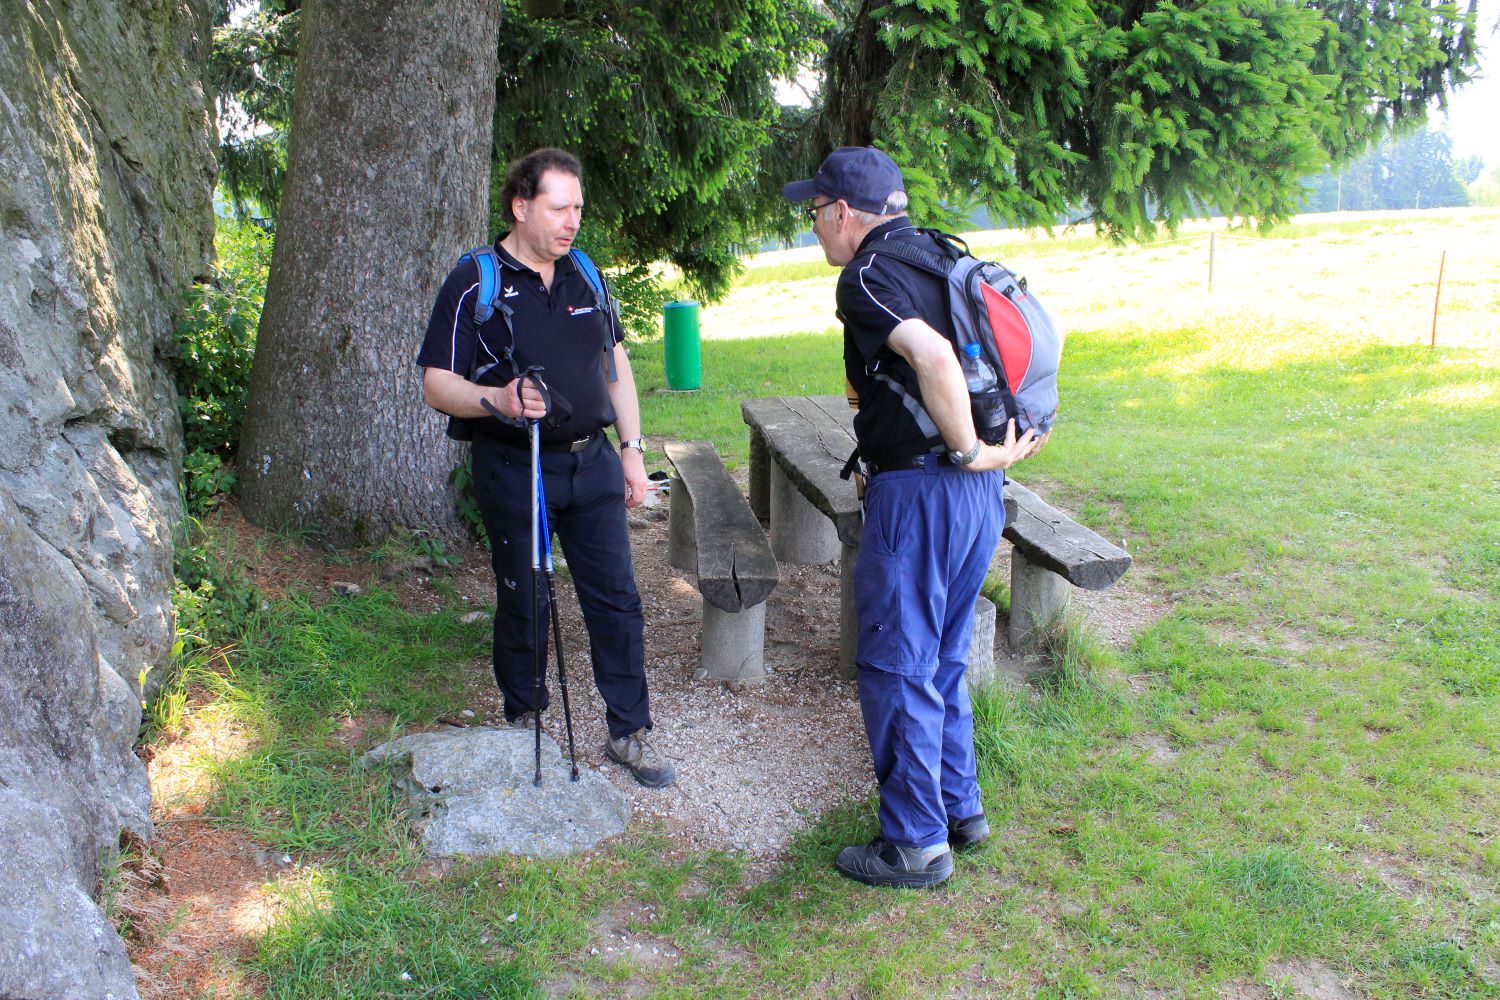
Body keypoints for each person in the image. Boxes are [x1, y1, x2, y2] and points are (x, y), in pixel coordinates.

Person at [784, 146, 1043, 886]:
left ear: (842, 211)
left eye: (815, 213)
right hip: (975, 500)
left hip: (926, 493)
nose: (814, 227)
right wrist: (980, 460)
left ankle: (915, 843)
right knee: (943, 658)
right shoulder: (938, 256)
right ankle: (960, 809)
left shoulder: (866, 274)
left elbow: (931, 356)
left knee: (897, 664)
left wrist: (967, 450)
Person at [417, 147, 674, 788]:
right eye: (559, 208)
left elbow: (614, 364)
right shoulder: (473, 282)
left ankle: (629, 730)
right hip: (515, 465)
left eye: (578, 208)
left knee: (617, 599)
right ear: (520, 206)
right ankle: (523, 720)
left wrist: (632, 450)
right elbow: (436, 384)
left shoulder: (586, 274)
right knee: (524, 598)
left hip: (592, 463)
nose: (572, 221)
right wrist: (499, 400)